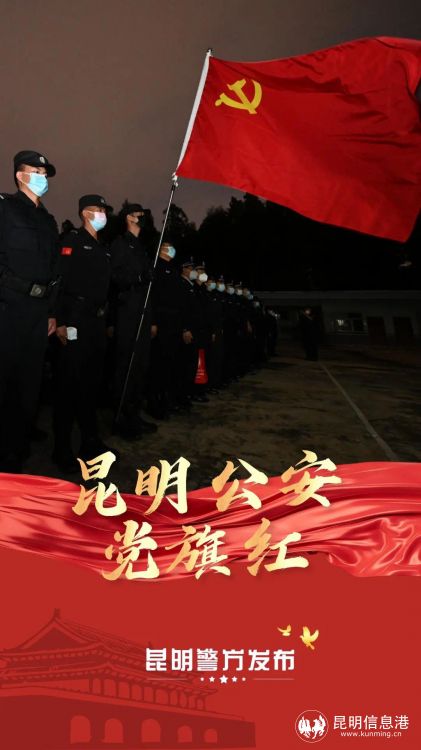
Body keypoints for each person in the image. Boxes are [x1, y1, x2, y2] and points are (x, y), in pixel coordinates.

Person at [0, 150, 59, 472]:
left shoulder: (47, 220)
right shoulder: (5, 208)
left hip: (38, 313)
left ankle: (16, 450)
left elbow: (54, 270)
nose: (42, 177)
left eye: (44, 172)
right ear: (19, 175)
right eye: (35, 171)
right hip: (8, 309)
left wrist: (51, 311)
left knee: (29, 384)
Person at [52, 194, 116, 471]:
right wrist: (59, 319)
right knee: (69, 383)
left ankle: (90, 441)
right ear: (84, 213)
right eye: (97, 209)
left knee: (91, 384)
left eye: (104, 210)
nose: (102, 214)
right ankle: (61, 448)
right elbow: (59, 280)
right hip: (74, 320)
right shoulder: (73, 240)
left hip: (96, 323)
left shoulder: (103, 248)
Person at [110, 201, 157, 440]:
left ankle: (134, 414)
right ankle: (121, 418)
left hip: (143, 310)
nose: (143, 218)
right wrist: (139, 277)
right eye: (140, 214)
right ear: (129, 217)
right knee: (126, 366)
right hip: (127, 310)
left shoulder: (141, 247)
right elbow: (115, 277)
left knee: (140, 366)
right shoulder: (120, 244)